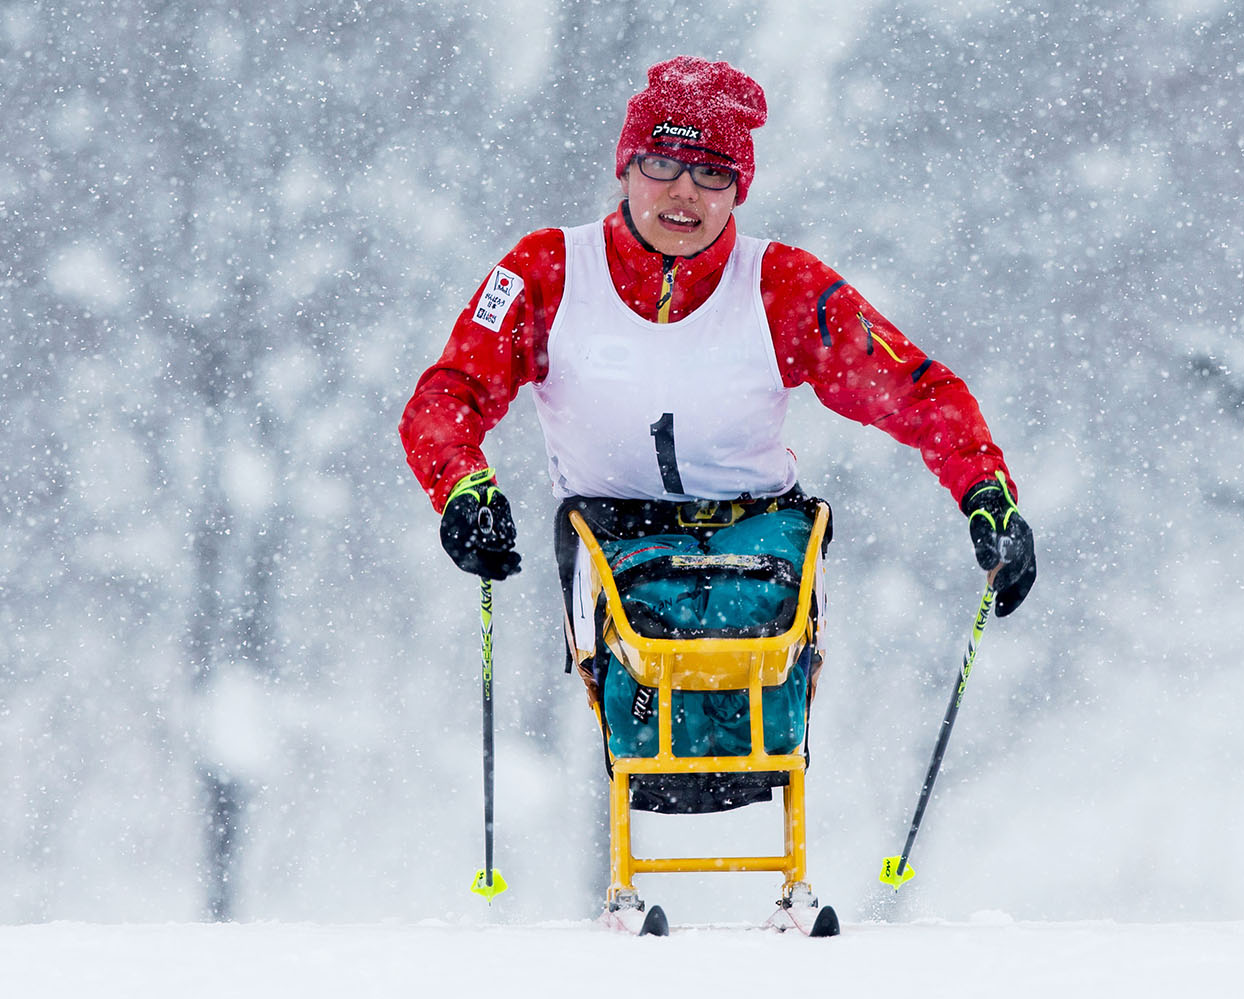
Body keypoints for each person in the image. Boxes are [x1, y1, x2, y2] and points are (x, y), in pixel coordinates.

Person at [400, 56, 1036, 773]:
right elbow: (447, 395)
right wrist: (463, 488)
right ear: (626, 166)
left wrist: (987, 493)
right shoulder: (547, 269)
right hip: (613, 534)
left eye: (712, 174)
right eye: (664, 162)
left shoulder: (783, 286)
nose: (683, 193)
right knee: (648, 704)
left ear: (738, 189)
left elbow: (920, 392)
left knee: (755, 698)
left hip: (758, 529)